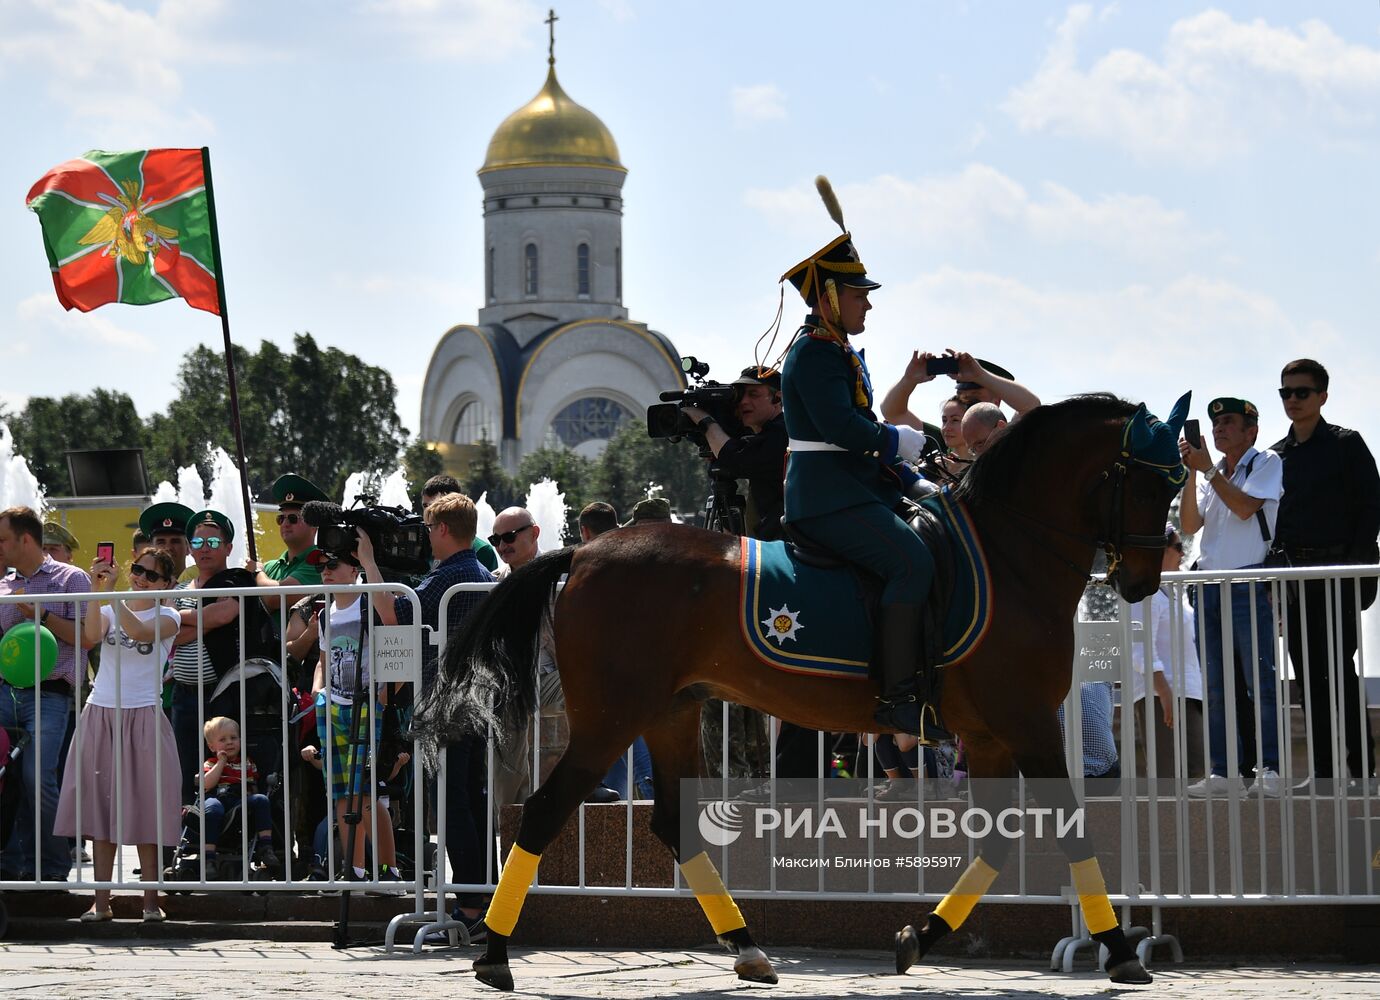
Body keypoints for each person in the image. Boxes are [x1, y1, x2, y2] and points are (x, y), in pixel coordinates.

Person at [777, 217, 947, 741]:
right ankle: (897, 697)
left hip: (855, 485)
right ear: (829, 297)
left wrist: (905, 468)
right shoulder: (815, 351)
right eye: (858, 295)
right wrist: (897, 439)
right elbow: (840, 428)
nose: (867, 304)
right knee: (911, 562)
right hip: (827, 498)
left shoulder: (836, 349)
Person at [359, 493, 494, 928]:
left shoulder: (447, 576)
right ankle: (482, 898)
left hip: (444, 700)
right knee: (473, 800)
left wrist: (369, 564)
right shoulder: (483, 572)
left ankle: (470, 907)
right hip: (477, 699)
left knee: (452, 804)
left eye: (427, 527)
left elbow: (395, 613)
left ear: (441, 530)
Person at [53, 546, 180, 920]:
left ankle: (151, 902)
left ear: (168, 584)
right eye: (138, 569)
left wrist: (112, 596)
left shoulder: (168, 614)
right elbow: (90, 635)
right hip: (101, 711)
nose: (141, 577)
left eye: (152, 575)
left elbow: (141, 630)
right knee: (100, 812)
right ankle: (101, 902)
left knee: (147, 811)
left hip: (143, 713)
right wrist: (97, 592)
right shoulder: (109, 606)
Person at [1270, 359, 1380, 791]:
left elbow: (1372, 505)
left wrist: (1351, 568)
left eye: (1302, 392)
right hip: (1296, 580)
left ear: (1322, 397)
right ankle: (1324, 773)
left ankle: (1361, 772)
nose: (1293, 400)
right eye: (1286, 393)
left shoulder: (1346, 444)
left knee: (1339, 670)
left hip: (1339, 576)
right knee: (1306, 676)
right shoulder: (1277, 456)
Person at [1179, 397, 1284, 798]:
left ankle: (1270, 769)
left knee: (1262, 683)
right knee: (1217, 686)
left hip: (1248, 586)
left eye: (1228, 422)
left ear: (1251, 430)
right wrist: (1192, 474)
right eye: (1216, 423)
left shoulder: (1266, 462)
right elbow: (1190, 525)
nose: (1219, 429)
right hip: (1208, 588)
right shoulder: (1214, 473)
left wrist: (1206, 469)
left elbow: (1245, 509)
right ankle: (1224, 772)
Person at [0, 505, 91, 884]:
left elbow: (86, 637)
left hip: (50, 694)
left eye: (3, 539)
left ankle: (52, 867)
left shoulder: (72, 579)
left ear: (25, 538)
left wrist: (40, 616)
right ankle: (14, 864)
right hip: (5, 692)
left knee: (40, 779)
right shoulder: (3, 585)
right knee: (8, 779)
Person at [306, 548, 401, 885]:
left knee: (367, 793)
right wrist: (318, 690)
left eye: (333, 564)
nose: (325, 572)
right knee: (341, 794)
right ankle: (355, 871)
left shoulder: (368, 602)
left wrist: (385, 696)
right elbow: (322, 659)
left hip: (366, 706)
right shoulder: (323, 614)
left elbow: (396, 635)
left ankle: (389, 870)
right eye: (320, 566)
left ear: (354, 568)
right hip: (332, 707)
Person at [168, 509, 242, 803]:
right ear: (189, 549)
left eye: (213, 542)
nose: (205, 549)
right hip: (183, 694)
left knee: (224, 766)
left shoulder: (236, 581)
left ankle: (218, 834)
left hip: (220, 693)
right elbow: (167, 634)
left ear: (228, 548)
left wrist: (176, 618)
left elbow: (225, 613)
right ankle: (187, 831)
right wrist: (204, 621)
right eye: (198, 543)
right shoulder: (181, 588)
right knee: (184, 767)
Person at [1128, 526, 1205, 784]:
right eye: (1178, 547)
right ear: (1160, 552)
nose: (1184, 554)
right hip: (1160, 695)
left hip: (1188, 692)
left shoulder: (1175, 594)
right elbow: (1140, 649)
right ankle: (1167, 825)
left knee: (1196, 771)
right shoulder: (1143, 593)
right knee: (1168, 778)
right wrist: (1164, 692)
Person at [681, 365, 788, 541]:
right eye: (740, 395)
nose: (743, 401)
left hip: (784, 544)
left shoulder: (782, 433)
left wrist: (704, 421)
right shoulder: (761, 435)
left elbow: (737, 460)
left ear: (777, 398)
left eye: (753, 394)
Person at [191, 716, 280, 876]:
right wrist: (221, 762)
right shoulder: (210, 763)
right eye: (223, 739)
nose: (229, 742)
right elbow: (207, 784)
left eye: (233, 738)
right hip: (216, 796)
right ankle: (208, 858)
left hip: (239, 800)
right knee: (213, 808)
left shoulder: (247, 763)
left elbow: (252, 786)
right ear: (212, 746)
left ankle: (265, 847)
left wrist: (252, 795)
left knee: (261, 799)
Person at [250, 473, 326, 613]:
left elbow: (275, 598)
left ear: (314, 524)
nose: (285, 523)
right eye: (281, 518)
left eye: (293, 518)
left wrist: (256, 572)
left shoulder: (321, 564)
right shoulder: (269, 567)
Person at [422, 474, 500, 572]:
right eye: (425, 506)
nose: (429, 512)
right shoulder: (419, 545)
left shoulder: (482, 551)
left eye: (434, 506)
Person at [140, 502, 195, 584]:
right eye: (161, 542)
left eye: (175, 541)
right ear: (151, 549)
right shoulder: (139, 588)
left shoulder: (202, 586)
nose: (168, 547)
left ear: (188, 548)